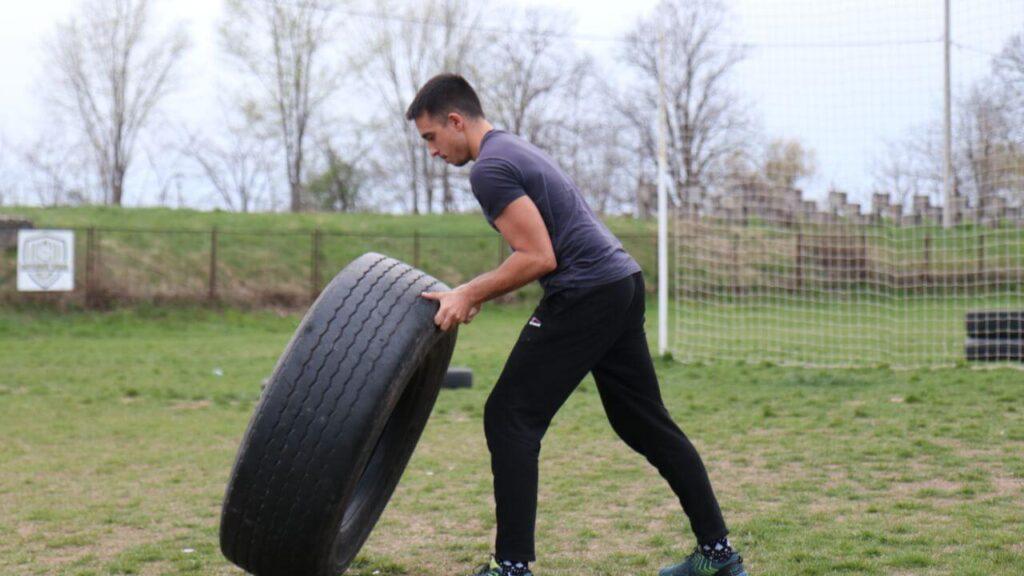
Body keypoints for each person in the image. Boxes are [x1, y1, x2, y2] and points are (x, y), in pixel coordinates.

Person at [406, 73, 748, 576]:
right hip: (619, 282)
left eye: (431, 138)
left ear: (455, 120)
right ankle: (719, 557)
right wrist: (478, 292)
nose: (433, 152)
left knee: (510, 415)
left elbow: (538, 256)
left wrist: (469, 291)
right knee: (642, 422)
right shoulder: (513, 149)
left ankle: (512, 568)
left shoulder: (490, 169)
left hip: (588, 291)